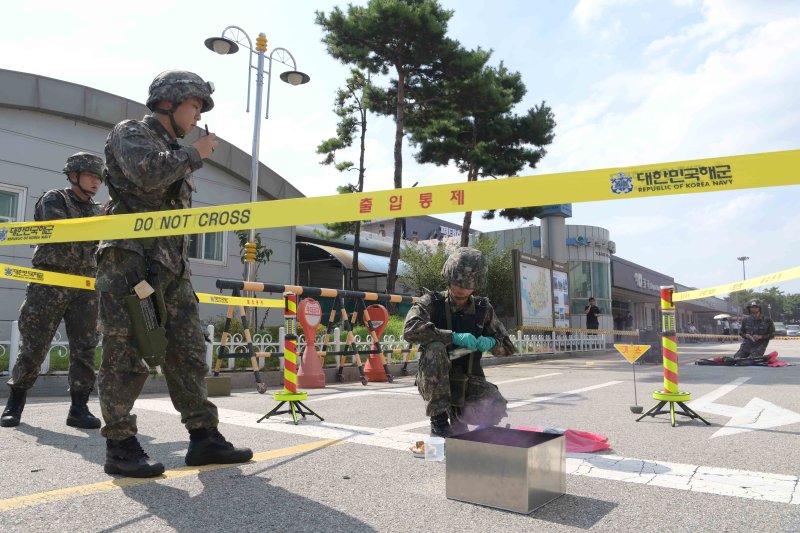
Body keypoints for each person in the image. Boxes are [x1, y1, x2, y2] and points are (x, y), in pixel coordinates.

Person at [97, 70, 251, 478]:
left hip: (169, 267)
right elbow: (146, 175)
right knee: (125, 354)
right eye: (195, 104)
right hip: (129, 263)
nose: (198, 114)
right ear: (170, 101)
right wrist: (195, 153)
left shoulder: (173, 149)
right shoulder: (130, 132)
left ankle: (204, 437)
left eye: (201, 107)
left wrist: (188, 154)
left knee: (187, 353)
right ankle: (120, 444)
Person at [2, 153, 104, 429]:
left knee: (85, 347)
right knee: (34, 346)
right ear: (74, 175)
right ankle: (15, 403)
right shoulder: (54, 198)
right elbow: (62, 233)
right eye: (91, 176)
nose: (96, 182)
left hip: (85, 286)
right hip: (50, 283)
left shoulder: (98, 210)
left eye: (99, 178)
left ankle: (79, 408)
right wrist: (102, 219)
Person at [403, 247, 516, 438]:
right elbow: (409, 330)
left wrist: (491, 343)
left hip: (467, 378)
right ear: (448, 277)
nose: (462, 290)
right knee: (436, 348)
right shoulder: (432, 301)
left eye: (468, 286)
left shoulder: (483, 308)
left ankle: (458, 419)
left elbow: (507, 347)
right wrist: (452, 337)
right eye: (457, 283)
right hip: (434, 378)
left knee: (495, 406)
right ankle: (438, 421)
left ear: (477, 284)